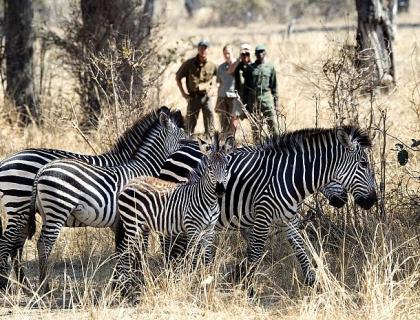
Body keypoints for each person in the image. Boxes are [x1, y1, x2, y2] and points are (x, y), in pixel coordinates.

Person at [176, 39, 217, 137]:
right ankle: (185, 143)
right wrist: (183, 94)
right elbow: (178, 77)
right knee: (189, 125)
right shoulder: (189, 63)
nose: (203, 50)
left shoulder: (212, 65)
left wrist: (213, 88)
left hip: (207, 97)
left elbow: (218, 79)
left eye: (205, 48)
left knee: (210, 123)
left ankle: (210, 144)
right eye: (201, 48)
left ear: (208, 50)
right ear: (198, 49)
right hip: (193, 98)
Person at [243, 44, 279, 142]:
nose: (260, 54)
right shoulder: (250, 68)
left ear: (265, 53)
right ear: (255, 54)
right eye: (258, 52)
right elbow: (246, 87)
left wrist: (276, 103)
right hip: (253, 99)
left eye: (262, 52)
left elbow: (274, 87)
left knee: (272, 122)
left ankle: (276, 143)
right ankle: (257, 146)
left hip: (267, 99)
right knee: (255, 125)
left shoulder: (270, 67)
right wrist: (245, 104)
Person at [227, 43, 253, 134]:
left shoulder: (254, 65)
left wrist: (251, 60)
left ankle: (256, 140)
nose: (245, 56)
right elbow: (229, 71)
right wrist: (239, 59)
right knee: (234, 119)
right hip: (239, 97)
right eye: (243, 54)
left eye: (247, 54)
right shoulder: (237, 65)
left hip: (251, 98)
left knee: (254, 119)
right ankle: (231, 141)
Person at [215, 45, 236, 134]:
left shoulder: (238, 65)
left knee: (234, 120)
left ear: (232, 53)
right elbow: (218, 82)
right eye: (224, 54)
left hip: (234, 96)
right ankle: (224, 139)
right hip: (223, 96)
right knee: (223, 119)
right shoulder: (221, 67)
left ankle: (232, 140)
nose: (226, 55)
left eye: (228, 53)